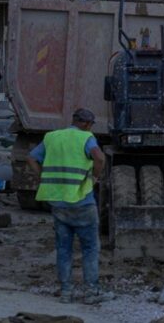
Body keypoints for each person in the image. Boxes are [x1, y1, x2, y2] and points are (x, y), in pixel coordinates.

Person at [27, 108, 113, 305]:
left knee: (63, 248)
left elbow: (31, 158)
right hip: (82, 203)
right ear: (86, 124)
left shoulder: (52, 137)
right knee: (90, 248)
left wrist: (42, 177)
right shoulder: (86, 138)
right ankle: (91, 292)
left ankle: (66, 292)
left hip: (58, 203)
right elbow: (99, 158)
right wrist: (95, 177)